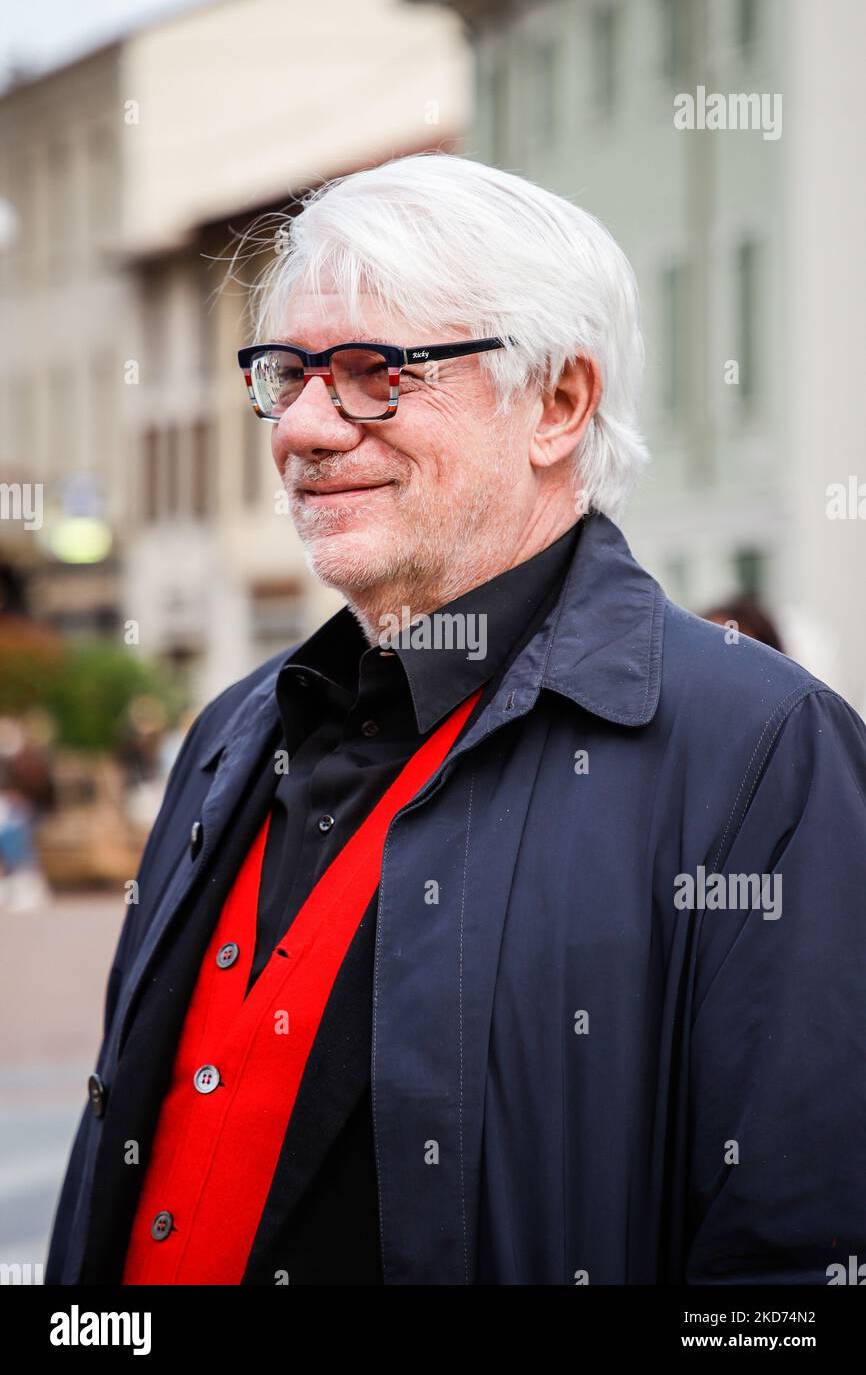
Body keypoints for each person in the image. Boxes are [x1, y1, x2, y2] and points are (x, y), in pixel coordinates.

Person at [46, 153, 866, 1286]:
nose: (305, 427)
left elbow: (794, 1262)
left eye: (374, 371)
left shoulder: (760, 750)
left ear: (557, 404)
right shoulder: (234, 728)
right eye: (285, 373)